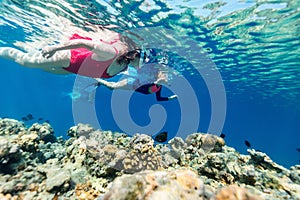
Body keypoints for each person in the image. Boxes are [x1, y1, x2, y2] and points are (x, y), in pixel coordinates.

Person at [0, 29, 143, 78]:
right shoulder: (112, 53)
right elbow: (83, 43)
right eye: (143, 60)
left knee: (42, 66)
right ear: (135, 53)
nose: (142, 66)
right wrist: (55, 48)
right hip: (71, 58)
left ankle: (31, 47)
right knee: (25, 61)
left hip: (72, 69)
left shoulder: (125, 65)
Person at [94, 64, 178, 101]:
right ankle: (96, 77)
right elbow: (156, 80)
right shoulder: (154, 79)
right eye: (164, 75)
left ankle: (99, 80)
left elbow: (159, 99)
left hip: (133, 86)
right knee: (112, 86)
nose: (165, 77)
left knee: (111, 87)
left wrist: (171, 98)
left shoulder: (159, 87)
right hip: (132, 83)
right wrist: (158, 81)